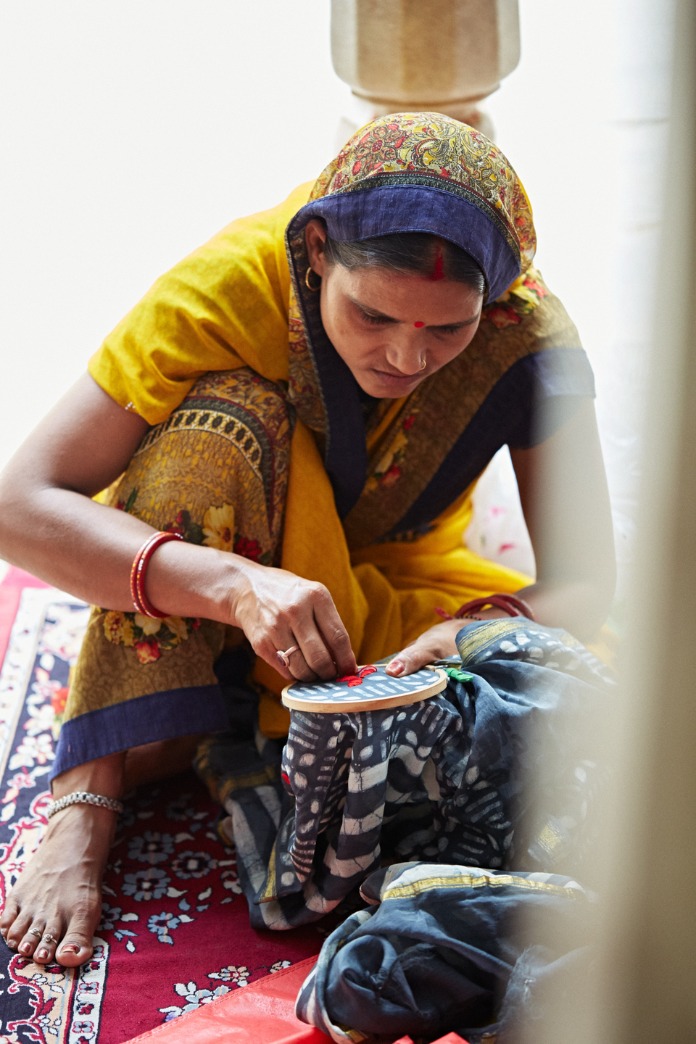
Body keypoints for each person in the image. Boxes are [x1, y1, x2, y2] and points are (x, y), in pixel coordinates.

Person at [0, 112, 615, 967]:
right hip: (207, 560)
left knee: (599, 740)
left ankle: (215, 715)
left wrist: (468, 634)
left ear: (497, 298)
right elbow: (19, 503)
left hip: (387, 594)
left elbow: (589, 585)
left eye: (447, 330)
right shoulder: (235, 283)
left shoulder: (526, 336)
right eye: (372, 315)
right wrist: (234, 587)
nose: (406, 356)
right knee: (221, 422)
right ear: (318, 250)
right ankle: (86, 792)